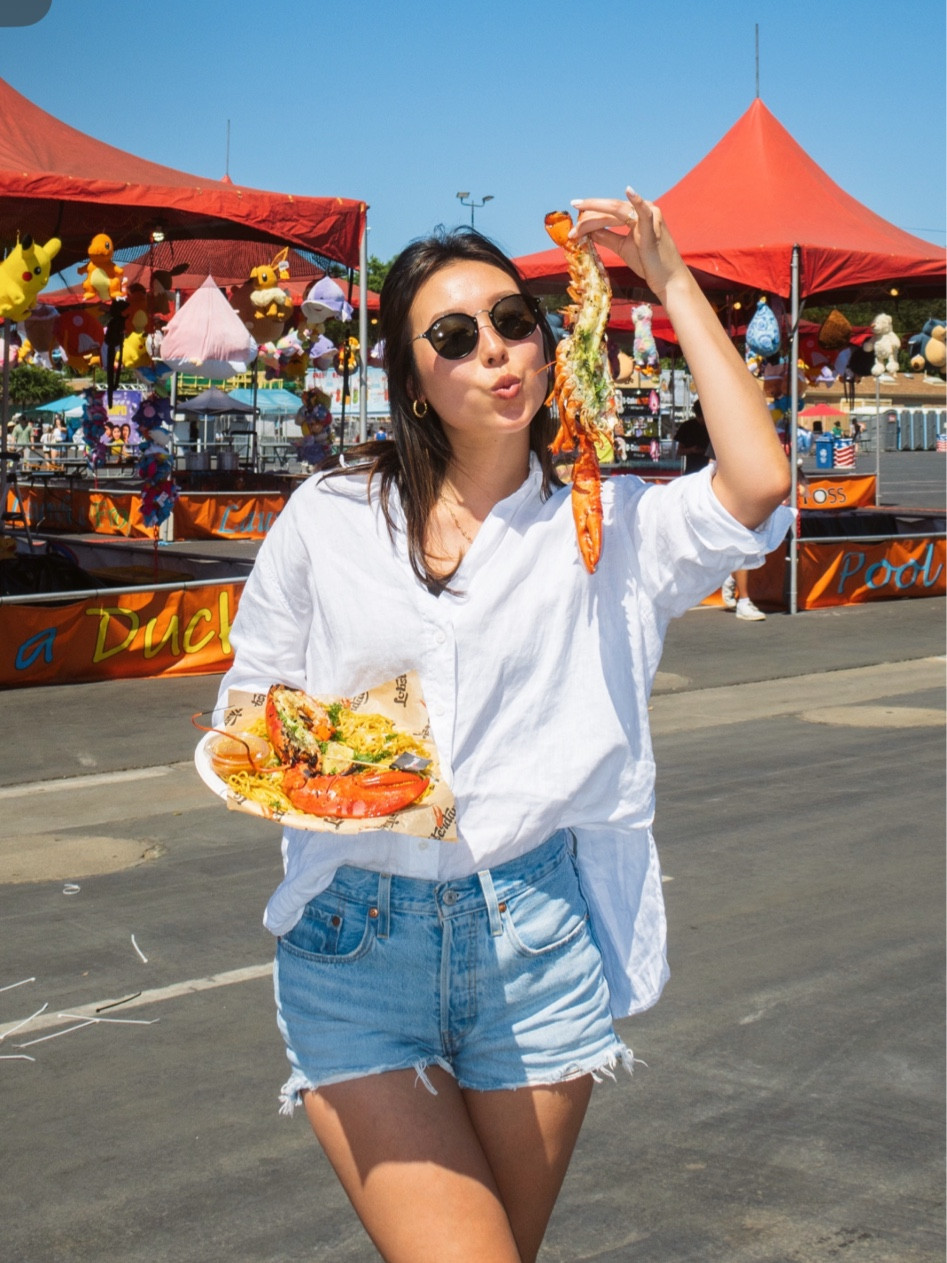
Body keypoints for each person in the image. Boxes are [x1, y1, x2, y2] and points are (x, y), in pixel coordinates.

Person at [210, 186, 791, 1263]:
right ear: (412, 380)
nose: (497, 350)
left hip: (532, 938)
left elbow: (755, 483)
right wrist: (329, 766)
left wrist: (667, 280)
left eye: (515, 321)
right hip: (353, 934)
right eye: (456, 335)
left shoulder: (606, 524)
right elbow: (252, 703)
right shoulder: (331, 517)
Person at [673, 400, 711, 472]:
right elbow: (679, 451)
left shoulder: (713, 427)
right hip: (693, 470)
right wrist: (692, 450)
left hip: (708, 470)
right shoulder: (687, 427)